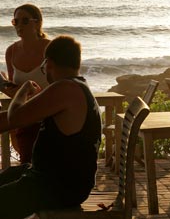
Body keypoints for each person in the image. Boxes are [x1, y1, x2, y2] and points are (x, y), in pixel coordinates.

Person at [0, 35, 101, 218]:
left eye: (43, 66)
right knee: (8, 174)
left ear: (49, 63)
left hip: (57, 187)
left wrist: (22, 90)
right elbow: (17, 118)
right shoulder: (75, 87)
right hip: (53, 179)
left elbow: (14, 117)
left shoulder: (65, 89)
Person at [3, 4, 51, 164]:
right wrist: (3, 84)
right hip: (23, 119)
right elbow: (13, 91)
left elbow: (62, 85)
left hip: (48, 119)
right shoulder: (11, 51)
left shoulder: (50, 49)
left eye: (25, 21)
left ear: (37, 23)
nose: (19, 25)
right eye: (15, 22)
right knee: (27, 164)